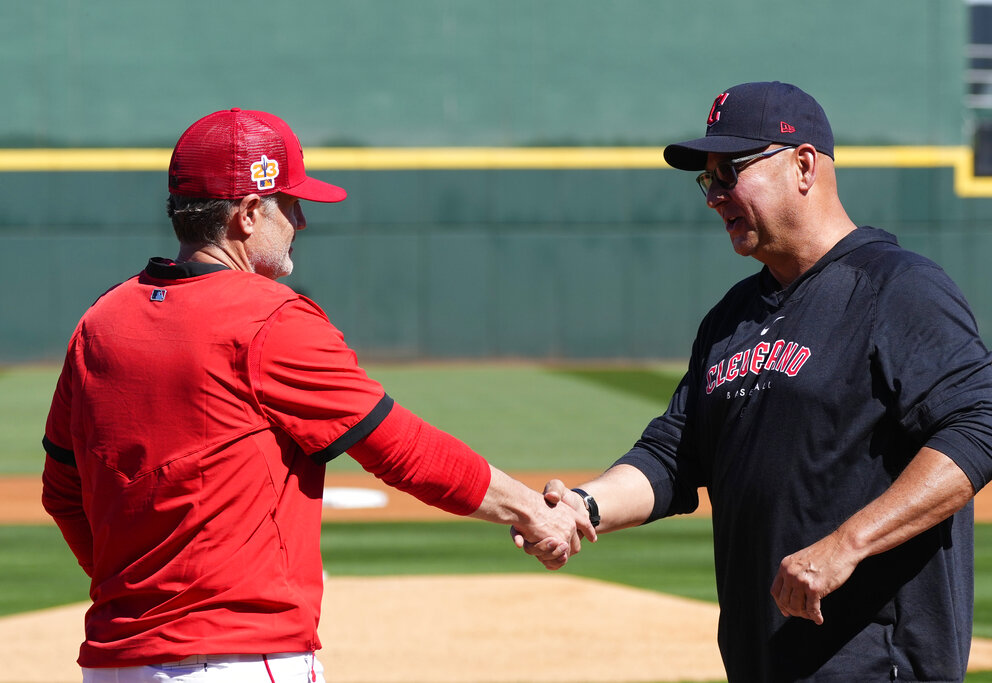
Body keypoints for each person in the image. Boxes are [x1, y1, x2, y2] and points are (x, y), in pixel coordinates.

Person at [41, 108, 596, 683]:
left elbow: (62, 492)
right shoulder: (269, 319)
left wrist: (140, 596)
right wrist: (533, 512)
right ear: (249, 213)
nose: (302, 219)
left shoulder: (99, 322)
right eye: (289, 203)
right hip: (239, 660)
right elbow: (403, 449)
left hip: (114, 665)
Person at [519, 82, 992, 681]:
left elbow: (977, 433)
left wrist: (846, 543)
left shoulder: (898, 288)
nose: (714, 196)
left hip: (874, 662)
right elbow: (674, 455)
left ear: (803, 165)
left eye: (730, 173)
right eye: (708, 180)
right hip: (763, 661)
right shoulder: (733, 316)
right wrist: (583, 507)